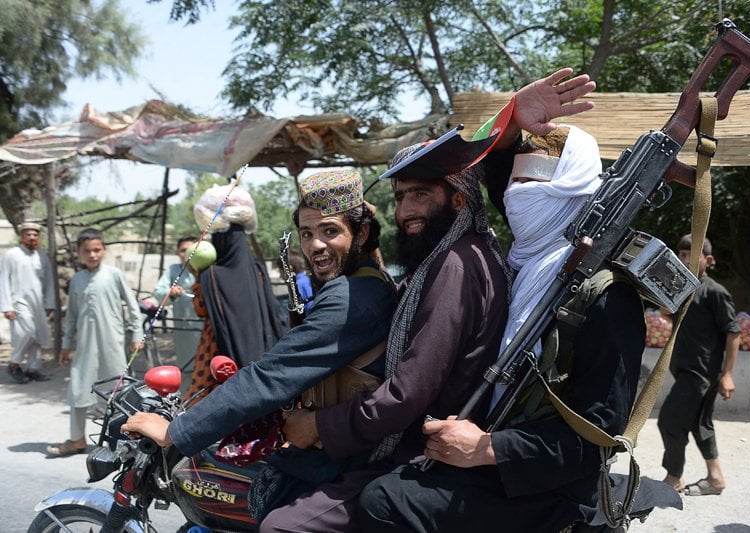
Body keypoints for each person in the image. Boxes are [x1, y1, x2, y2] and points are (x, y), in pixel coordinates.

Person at [357, 69, 659, 532]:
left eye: (537, 184)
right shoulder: (536, 256)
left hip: (550, 491)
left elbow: (597, 439)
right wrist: (511, 118)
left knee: (385, 501)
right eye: (515, 185)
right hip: (492, 453)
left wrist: (488, 450)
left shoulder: (605, 295)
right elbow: (490, 173)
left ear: (574, 189)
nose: (519, 198)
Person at [262, 116, 516, 530]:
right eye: (400, 198)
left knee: (281, 526)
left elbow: (408, 393)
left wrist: (319, 426)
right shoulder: (447, 257)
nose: (406, 211)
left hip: (417, 451)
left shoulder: (455, 264)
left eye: (420, 194)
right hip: (403, 436)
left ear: (457, 200)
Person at [121, 169, 397, 469]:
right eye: (306, 234)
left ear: (361, 233)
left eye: (330, 231)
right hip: (271, 399)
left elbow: (270, 374)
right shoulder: (368, 279)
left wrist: (175, 430)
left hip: (345, 456)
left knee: (272, 515)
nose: (315, 245)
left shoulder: (350, 296)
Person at [183, 186, 288, 401]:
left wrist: (196, 275)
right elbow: (275, 313)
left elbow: (201, 310)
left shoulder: (211, 275)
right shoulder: (257, 270)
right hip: (261, 353)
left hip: (217, 354)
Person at [48, 228, 144, 457]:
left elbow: (132, 307)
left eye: (96, 250)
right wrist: (65, 345)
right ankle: (77, 439)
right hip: (85, 346)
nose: (92, 255)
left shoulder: (114, 274)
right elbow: (71, 316)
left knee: (119, 391)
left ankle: (122, 441)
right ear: (79, 252)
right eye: (87, 251)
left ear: (104, 250)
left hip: (113, 342)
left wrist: (136, 334)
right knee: (78, 389)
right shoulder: (77, 280)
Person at [658, 235, 740, 496]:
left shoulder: (715, 292)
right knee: (699, 424)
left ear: (709, 260)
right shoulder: (683, 287)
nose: (686, 260)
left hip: (701, 373)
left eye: (692, 255)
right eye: (682, 255)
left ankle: (673, 477)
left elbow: (733, 333)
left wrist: (727, 374)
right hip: (686, 369)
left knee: (670, 420)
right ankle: (715, 479)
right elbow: (665, 312)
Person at [0, 221, 55, 383]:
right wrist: (6, 306)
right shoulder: (12, 255)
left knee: (37, 336)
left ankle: (33, 369)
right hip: (18, 301)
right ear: (21, 236)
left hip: (38, 303)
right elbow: (3, 280)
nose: (32, 237)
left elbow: (49, 282)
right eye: (28, 234)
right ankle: (14, 364)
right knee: (28, 332)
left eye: (35, 235)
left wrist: (49, 303)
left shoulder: (42, 256)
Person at [152, 236, 202, 385]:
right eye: (183, 250)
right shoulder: (174, 271)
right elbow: (159, 294)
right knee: (186, 371)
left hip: (207, 329)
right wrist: (171, 293)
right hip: (184, 331)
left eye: (191, 250)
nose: (186, 254)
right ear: (177, 252)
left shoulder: (208, 270)